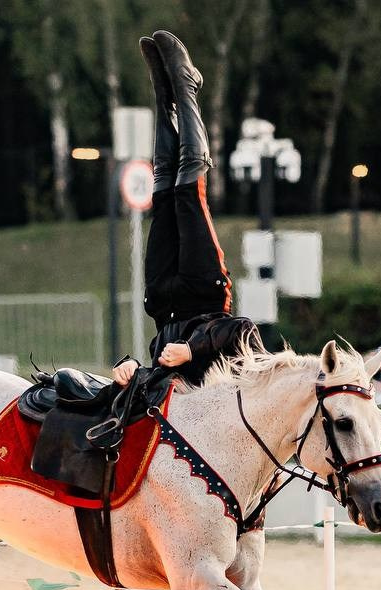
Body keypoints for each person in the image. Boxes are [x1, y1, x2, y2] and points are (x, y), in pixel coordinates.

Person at [112, 31, 261, 389]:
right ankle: (187, 86)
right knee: (188, 189)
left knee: (163, 189)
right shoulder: (231, 389)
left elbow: (154, 374)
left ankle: (163, 93)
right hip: (203, 293)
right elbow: (243, 330)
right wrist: (193, 350)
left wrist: (129, 368)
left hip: (163, 306)